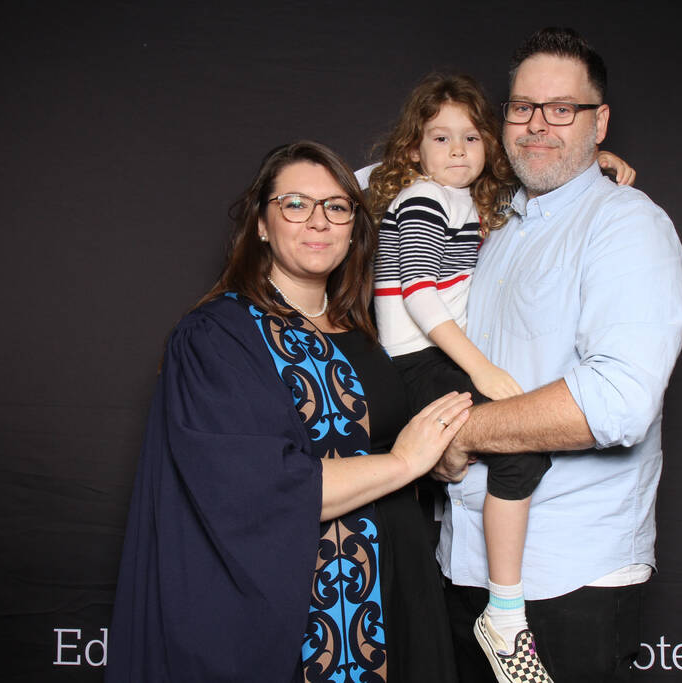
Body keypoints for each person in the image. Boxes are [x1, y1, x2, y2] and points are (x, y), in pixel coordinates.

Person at [106, 140, 472, 683]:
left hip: (401, 595)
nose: (318, 221)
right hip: (296, 616)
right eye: (295, 204)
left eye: (337, 206)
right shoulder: (218, 336)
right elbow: (252, 487)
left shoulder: (368, 333)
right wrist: (403, 463)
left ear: (354, 227)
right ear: (260, 223)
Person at [431, 27, 682, 683]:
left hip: (568, 583)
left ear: (598, 121)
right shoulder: (491, 222)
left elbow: (619, 402)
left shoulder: (623, 223)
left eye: (562, 109)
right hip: (463, 570)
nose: (538, 124)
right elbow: (375, 186)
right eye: (523, 108)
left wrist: (455, 435)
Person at [364, 71, 635, 683]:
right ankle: (506, 612)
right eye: (440, 138)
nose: (457, 150)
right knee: (520, 451)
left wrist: (595, 158)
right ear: (413, 149)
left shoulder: (471, 201)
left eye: (470, 138)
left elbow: (535, 177)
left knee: (511, 454)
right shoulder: (421, 200)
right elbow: (422, 298)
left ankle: (502, 608)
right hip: (419, 361)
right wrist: (482, 370)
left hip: (437, 361)